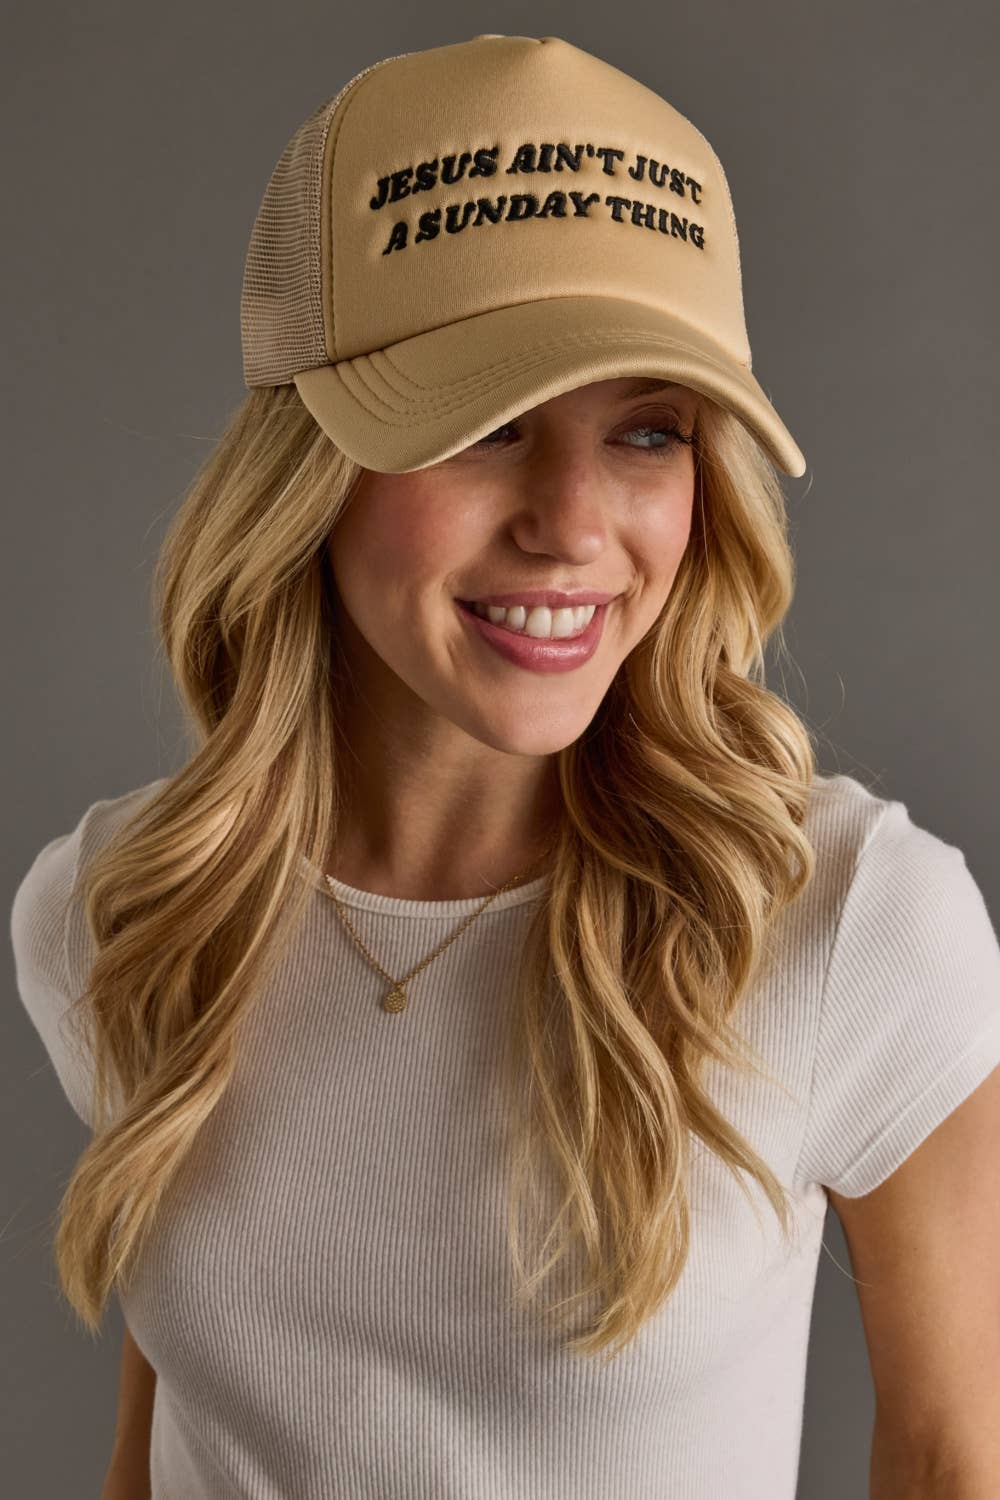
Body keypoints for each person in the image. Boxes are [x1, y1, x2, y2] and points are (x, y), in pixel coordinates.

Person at [10, 32, 1000, 1500]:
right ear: (311, 461)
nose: (574, 523)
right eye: (487, 428)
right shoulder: (124, 912)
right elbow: (170, 1446)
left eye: (649, 432)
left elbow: (949, 1456)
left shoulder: (847, 922)